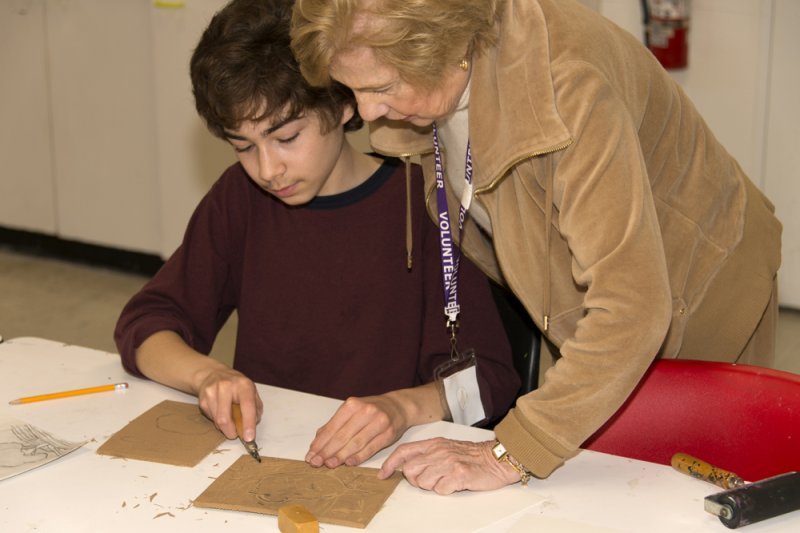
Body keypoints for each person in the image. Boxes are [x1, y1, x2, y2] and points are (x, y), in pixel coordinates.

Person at [290, 0, 783, 493]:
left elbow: (632, 308)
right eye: (352, 89)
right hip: (591, 313)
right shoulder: (434, 78)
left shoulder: (564, 88)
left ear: (442, 48)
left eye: (381, 87)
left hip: (697, 295)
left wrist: (511, 452)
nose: (369, 112)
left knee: (684, 493)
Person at [114, 0, 519, 471]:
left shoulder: (427, 202)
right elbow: (143, 327)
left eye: (286, 137)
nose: (268, 169)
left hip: (389, 466)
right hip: (273, 455)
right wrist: (208, 375)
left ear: (345, 103)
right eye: (243, 146)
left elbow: (491, 384)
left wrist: (403, 408)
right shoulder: (241, 198)